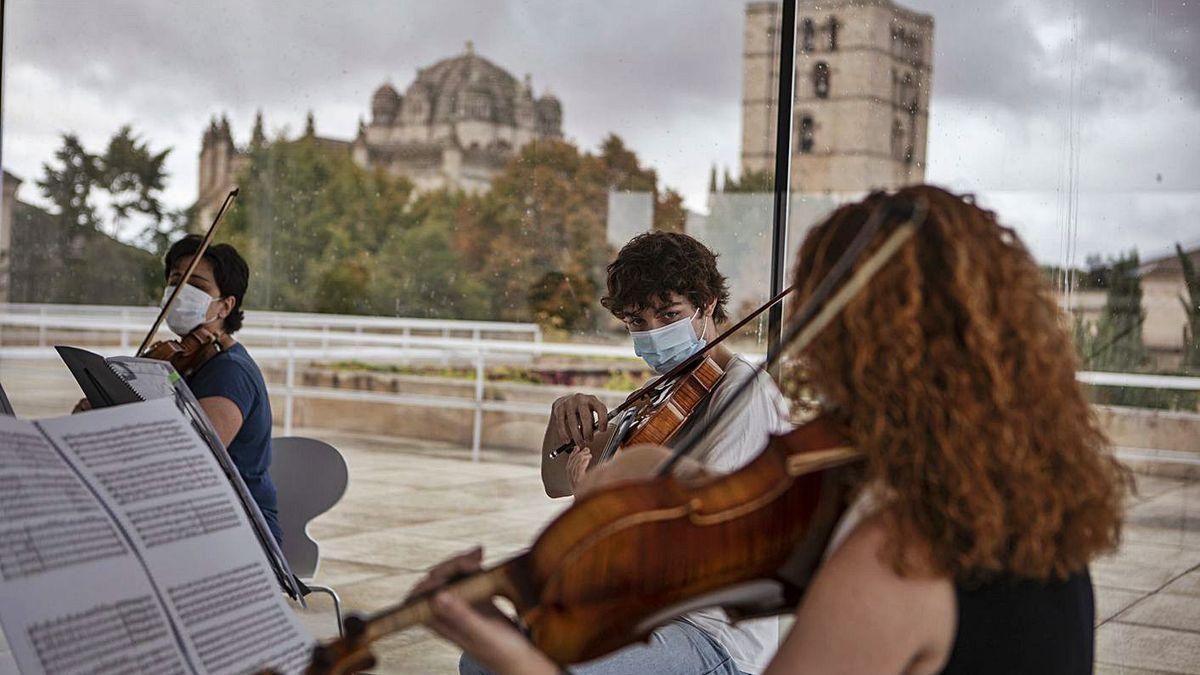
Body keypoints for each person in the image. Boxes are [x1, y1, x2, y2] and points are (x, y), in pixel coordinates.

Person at [410, 185, 1127, 674]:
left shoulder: (901, 556)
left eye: (828, 328)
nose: (813, 356)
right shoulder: (1039, 531)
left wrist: (518, 660)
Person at [464, 232, 791, 675]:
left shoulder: (744, 392)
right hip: (635, 615)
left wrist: (600, 511)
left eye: (669, 315)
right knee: (483, 656)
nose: (653, 333)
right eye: (638, 322)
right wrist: (560, 420)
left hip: (710, 634)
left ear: (708, 304)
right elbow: (555, 481)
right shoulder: (658, 396)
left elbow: (705, 540)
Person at [158, 235, 282, 544]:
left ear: (226, 306)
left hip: (240, 529)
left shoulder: (230, 372)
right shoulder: (180, 362)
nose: (180, 293)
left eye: (197, 287)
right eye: (176, 281)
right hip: (198, 516)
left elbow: (190, 462)